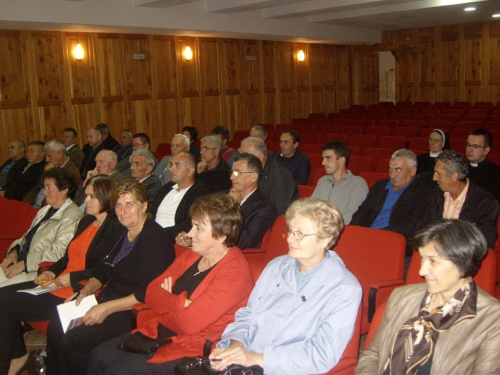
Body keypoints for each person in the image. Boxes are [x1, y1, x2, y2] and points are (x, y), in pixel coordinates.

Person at [87, 193, 255, 375]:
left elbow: (190, 324)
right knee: (99, 355)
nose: (190, 234)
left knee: (117, 370)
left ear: (221, 235)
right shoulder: (194, 254)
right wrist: (180, 303)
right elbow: (151, 291)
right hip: (161, 331)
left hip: (193, 346)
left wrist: (165, 303)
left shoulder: (235, 272)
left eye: (198, 228)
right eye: (192, 226)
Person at [210, 198, 362, 374]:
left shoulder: (345, 288)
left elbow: (322, 353)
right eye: (290, 230)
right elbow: (247, 314)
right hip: (245, 364)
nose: (289, 238)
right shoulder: (276, 266)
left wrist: (258, 359)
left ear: (325, 239)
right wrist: (235, 349)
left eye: (300, 233)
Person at [46, 180, 176, 375]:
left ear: (144, 205)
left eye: (130, 204)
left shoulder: (154, 237)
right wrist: (85, 292)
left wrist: (105, 308)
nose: (123, 211)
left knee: (73, 341)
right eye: (119, 205)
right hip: (107, 299)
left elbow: (149, 291)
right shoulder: (121, 232)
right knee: (56, 327)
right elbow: (102, 270)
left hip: (132, 309)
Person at [0, 175, 121, 375]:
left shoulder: (115, 228)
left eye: (91, 197)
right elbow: (66, 258)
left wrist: (72, 278)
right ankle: (17, 356)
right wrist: (51, 270)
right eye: (87, 196)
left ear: (106, 198)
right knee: (2, 295)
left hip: (77, 289)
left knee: (4, 303)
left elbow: (106, 268)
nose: (86, 200)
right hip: (57, 283)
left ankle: (6, 366)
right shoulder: (87, 221)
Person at [355, 219, 500, 374]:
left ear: (463, 263)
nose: (422, 271)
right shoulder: (402, 296)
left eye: (433, 261)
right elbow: (372, 354)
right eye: (422, 259)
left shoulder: (492, 318)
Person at [0, 168, 83, 287]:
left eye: (49, 188)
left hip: (39, 272)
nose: (44, 192)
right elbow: (26, 238)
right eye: (45, 187)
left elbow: (59, 254)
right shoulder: (45, 210)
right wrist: (14, 252)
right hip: (20, 264)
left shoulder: (73, 216)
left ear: (64, 190)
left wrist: (25, 264)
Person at [425, 150, 499, 249]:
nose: (434, 178)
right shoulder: (435, 194)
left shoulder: (485, 203)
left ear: (454, 175)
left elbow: (485, 243)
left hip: (463, 258)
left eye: (438, 174)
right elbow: (424, 227)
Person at [351, 149, 430, 241]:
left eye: (398, 170)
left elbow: (411, 225)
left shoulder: (422, 192)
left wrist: (378, 235)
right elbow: (362, 212)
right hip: (368, 235)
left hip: (392, 239)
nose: (392, 175)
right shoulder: (380, 186)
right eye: (390, 169)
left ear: (412, 170)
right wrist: (354, 231)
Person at [150, 152, 210, 239]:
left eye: (177, 165)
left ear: (190, 170)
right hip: (153, 234)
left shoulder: (200, 193)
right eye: (171, 164)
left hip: (171, 239)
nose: (171, 169)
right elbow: (152, 213)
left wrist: (160, 233)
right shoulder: (167, 188)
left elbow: (189, 224)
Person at [239, 136, 299, 215]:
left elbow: (278, 211)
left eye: (245, 157)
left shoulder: (281, 175)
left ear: (260, 157)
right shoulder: (249, 170)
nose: (240, 161)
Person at [312, 140, 368, 224]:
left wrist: (328, 226)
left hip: (343, 231)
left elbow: (354, 215)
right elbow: (312, 207)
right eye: (323, 158)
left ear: (341, 160)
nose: (323, 163)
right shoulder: (323, 181)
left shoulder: (358, 183)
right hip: (318, 229)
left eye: (328, 158)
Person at [23, 140, 83, 206]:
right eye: (46, 156)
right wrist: (26, 202)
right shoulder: (50, 166)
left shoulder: (72, 170)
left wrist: (53, 172)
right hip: (36, 203)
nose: (47, 160)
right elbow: (39, 186)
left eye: (49, 156)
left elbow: (63, 193)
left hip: (50, 206)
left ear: (60, 154)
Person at [465, 129, 500, 202]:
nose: (470, 150)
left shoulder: (496, 173)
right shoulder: (460, 167)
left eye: (476, 146)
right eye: (468, 145)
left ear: (486, 150)